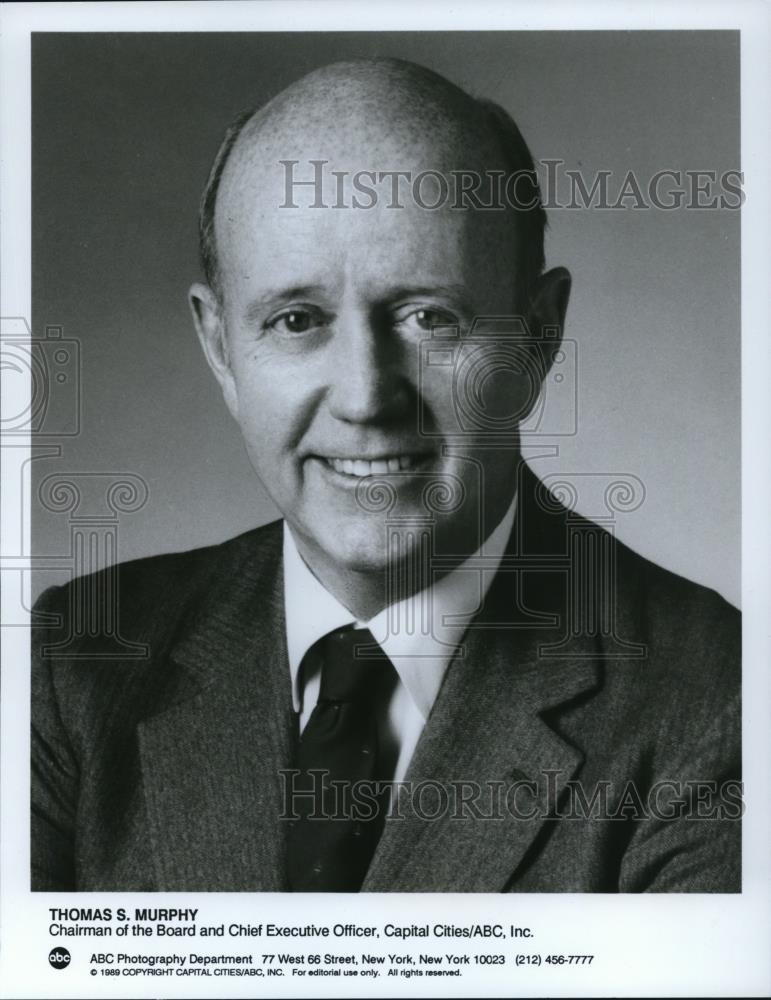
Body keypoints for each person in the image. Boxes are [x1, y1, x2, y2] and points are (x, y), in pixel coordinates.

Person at [31, 58, 740, 893]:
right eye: (297, 321)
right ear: (221, 349)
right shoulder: (72, 668)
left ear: (536, 337)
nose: (366, 397)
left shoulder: (719, 701)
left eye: (429, 317)